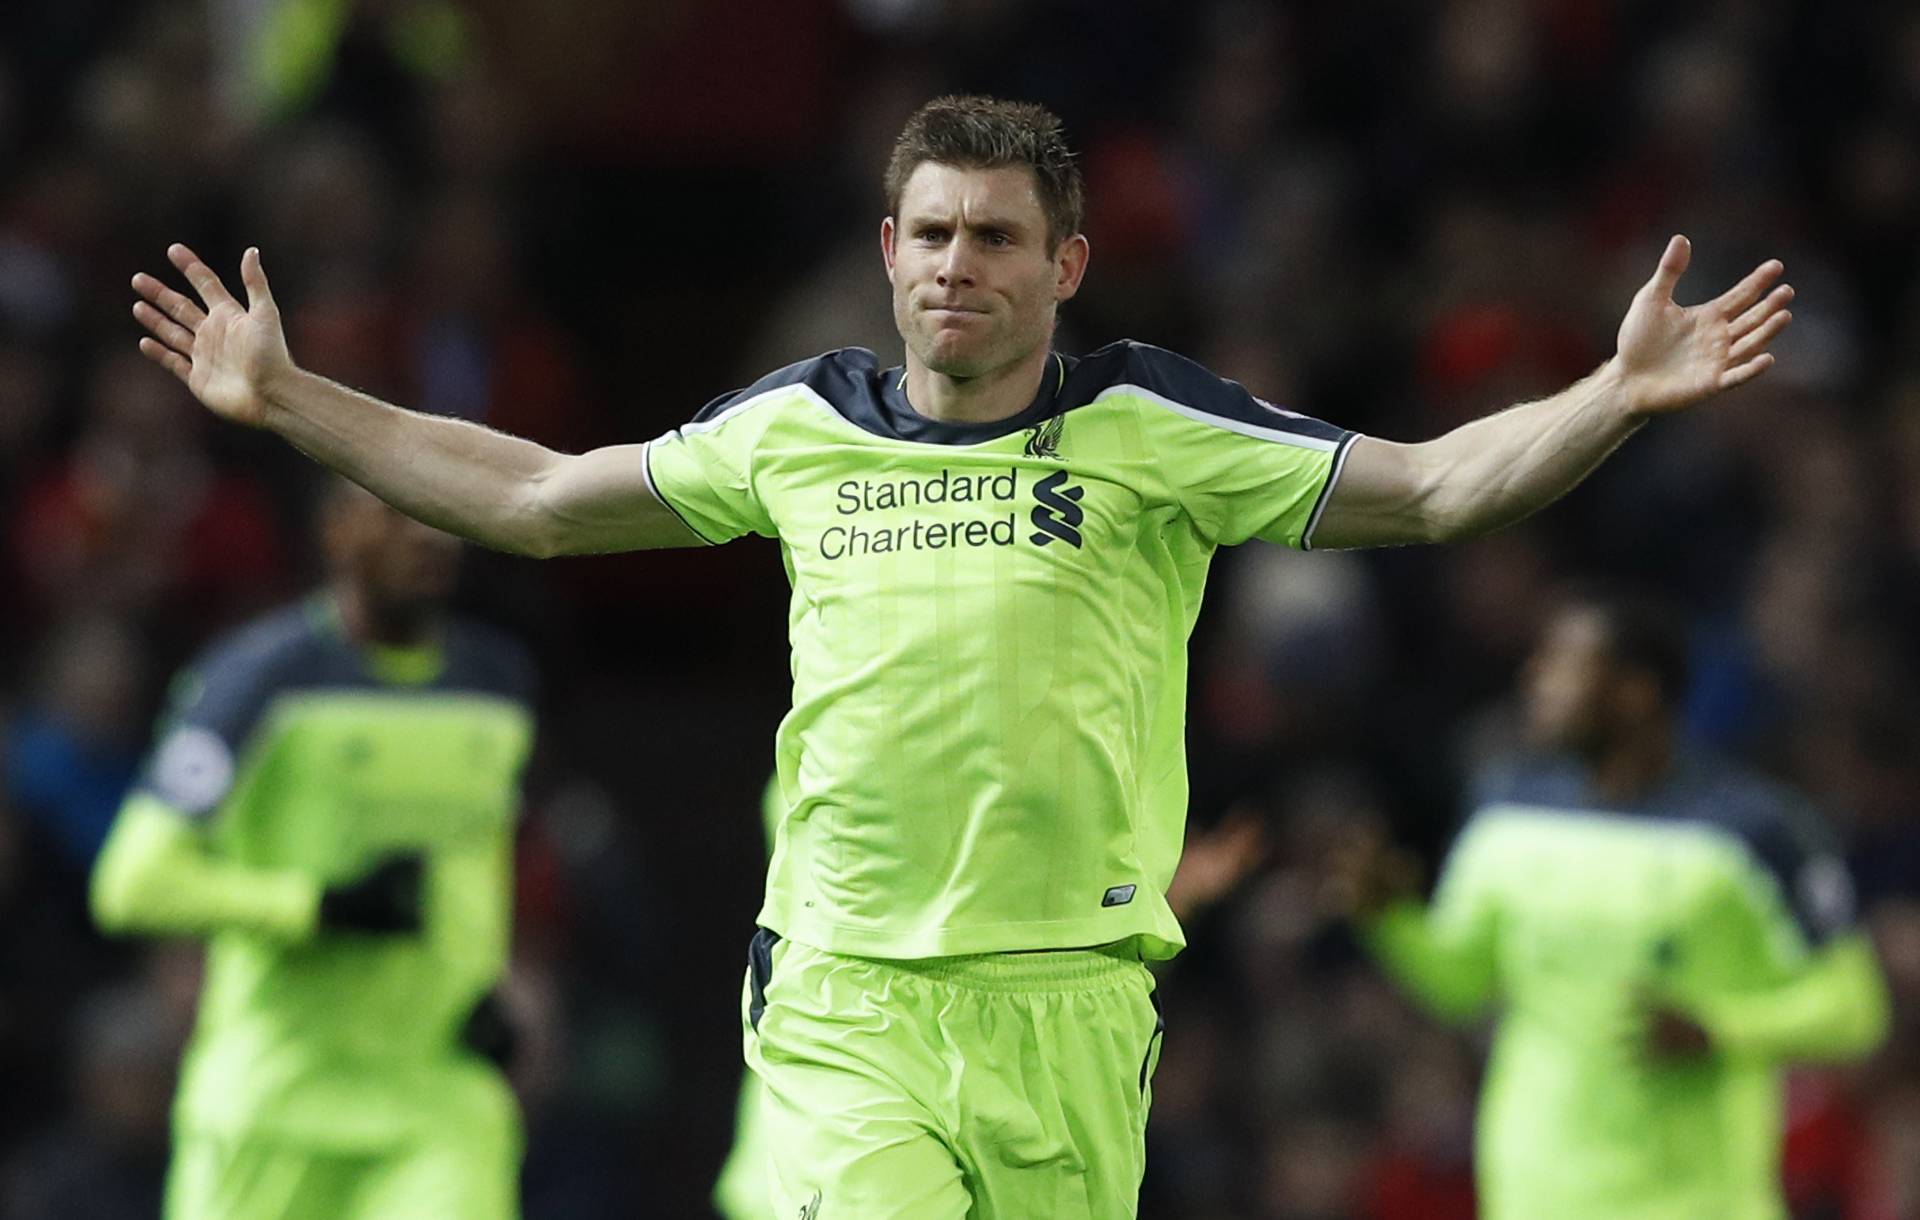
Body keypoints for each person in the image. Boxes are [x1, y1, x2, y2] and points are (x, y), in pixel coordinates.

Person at [129, 93, 1795, 1218]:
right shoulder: (799, 426)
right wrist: (290, 399)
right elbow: (547, 498)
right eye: (929, 234)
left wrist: (1612, 397)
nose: (956, 266)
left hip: (1076, 1008)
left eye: (997, 239)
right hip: (853, 996)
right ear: (886, 252)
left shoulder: (1154, 424)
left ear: (1063, 267)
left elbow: (1431, 494)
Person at [1330, 596, 1891, 1220]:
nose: (1534, 677)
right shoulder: (1503, 810)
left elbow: (1853, 1010)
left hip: (1695, 1201)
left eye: (1564, 662)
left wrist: (1720, 1031)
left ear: (1636, 692)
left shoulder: (1754, 832)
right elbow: (1462, 984)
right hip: (1532, 1194)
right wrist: (1391, 918)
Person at [90, 479, 538, 1220]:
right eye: (399, 516)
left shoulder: (498, 683)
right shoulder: (258, 679)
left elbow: (476, 856)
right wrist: (314, 906)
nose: (429, 537)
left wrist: (492, 980)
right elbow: (132, 882)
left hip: (439, 1101)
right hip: (276, 1103)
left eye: (441, 513)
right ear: (337, 532)